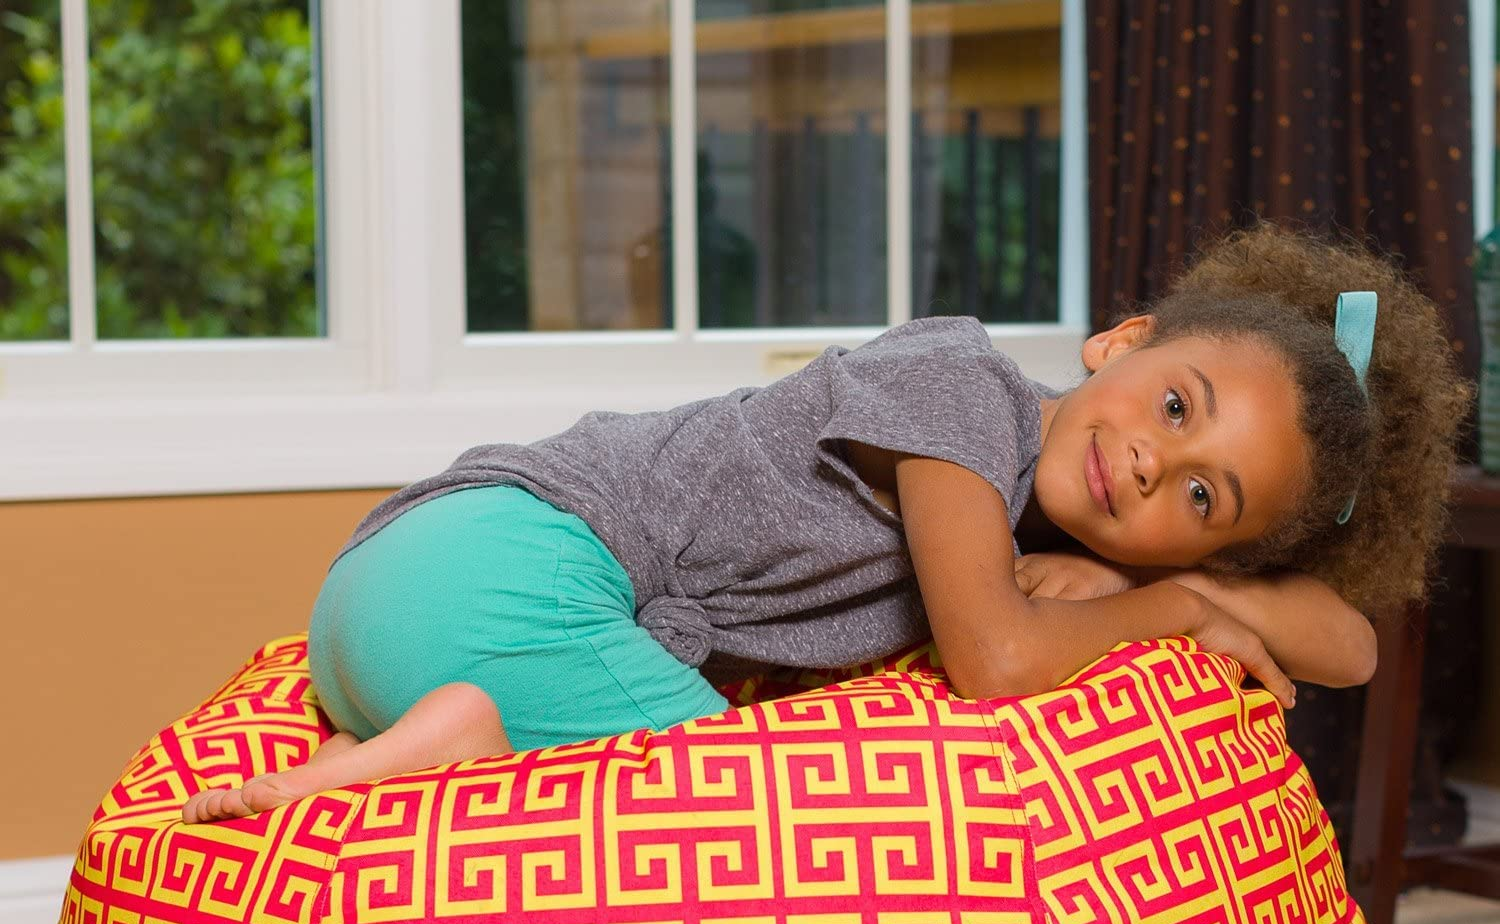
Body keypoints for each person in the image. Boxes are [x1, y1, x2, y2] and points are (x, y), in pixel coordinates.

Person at [181, 219, 1470, 824]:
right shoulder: (958, 392)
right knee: (746, 825)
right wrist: (1185, 603)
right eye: (1176, 404)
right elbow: (995, 659)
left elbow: (1349, 645)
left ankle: (413, 744)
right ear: (1120, 341)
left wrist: (1217, 591)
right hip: (498, 568)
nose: (1150, 461)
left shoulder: (1052, 528)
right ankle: (461, 733)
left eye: (1202, 497)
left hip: (396, 616)